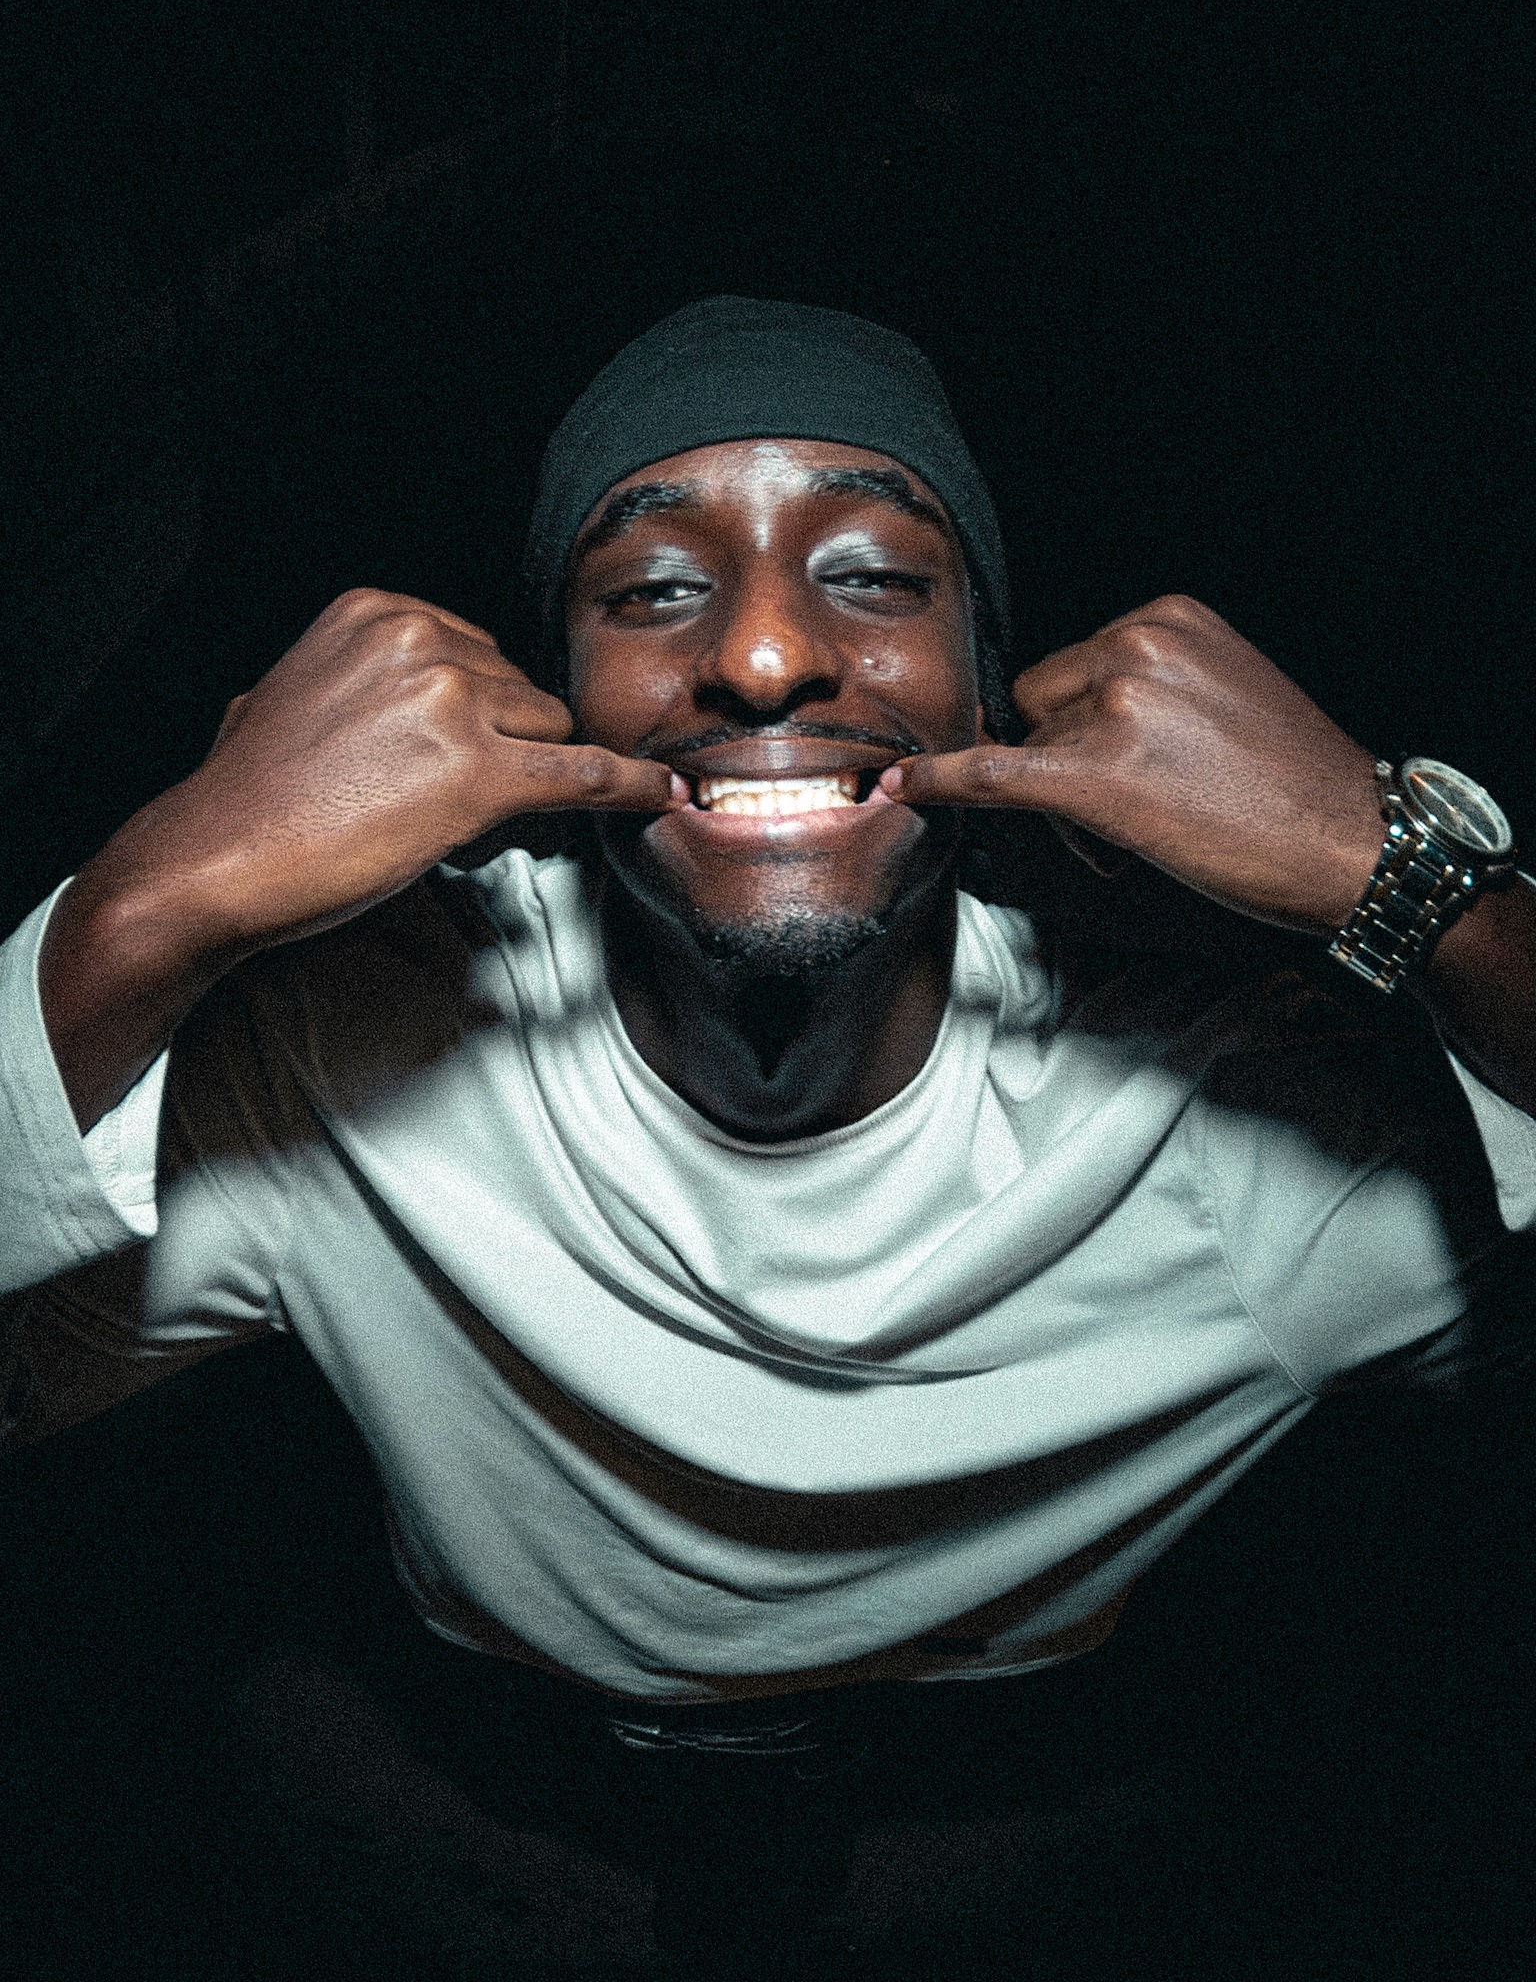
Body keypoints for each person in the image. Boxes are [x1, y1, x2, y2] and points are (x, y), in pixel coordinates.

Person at [4, 296, 1535, 1971]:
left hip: (999, 1843)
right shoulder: (348, 1049)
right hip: (473, 1823)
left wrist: (1409, 884)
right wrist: (149, 905)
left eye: (874, 575)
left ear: (988, 696)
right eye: (652, 590)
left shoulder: (1233, 1120)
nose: (758, 656)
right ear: (552, 707)